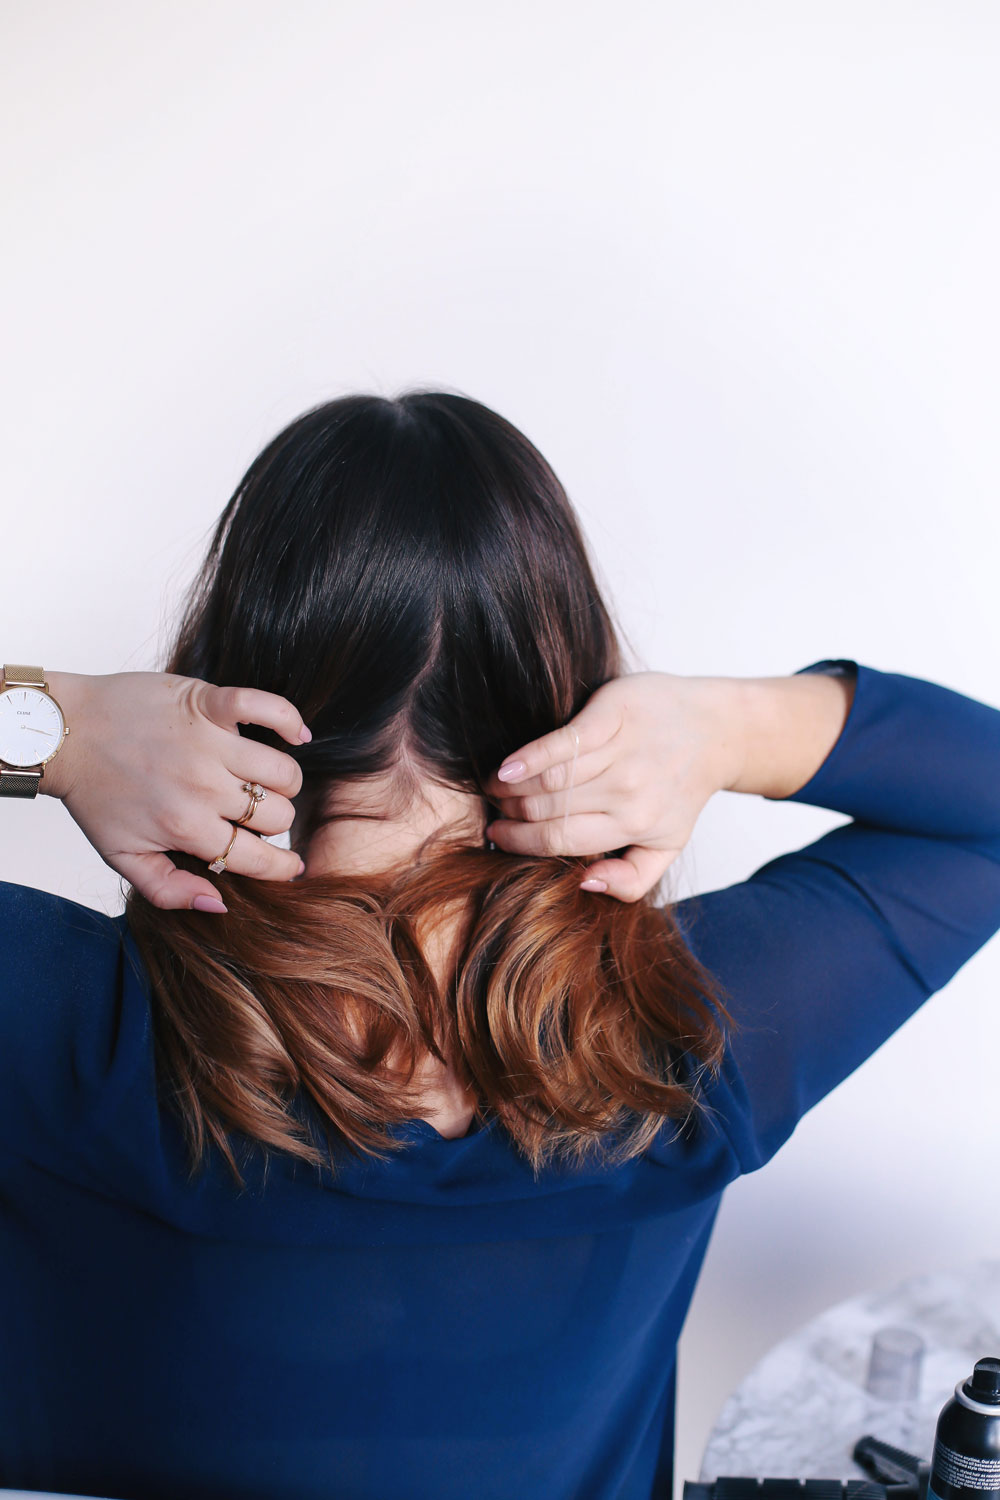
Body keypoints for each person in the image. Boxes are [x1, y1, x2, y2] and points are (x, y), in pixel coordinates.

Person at [1, 391, 998, 1500]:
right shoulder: (689, 1037)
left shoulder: (66, 1023)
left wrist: (53, 726)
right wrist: (725, 729)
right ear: (565, 684)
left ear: (237, 664)